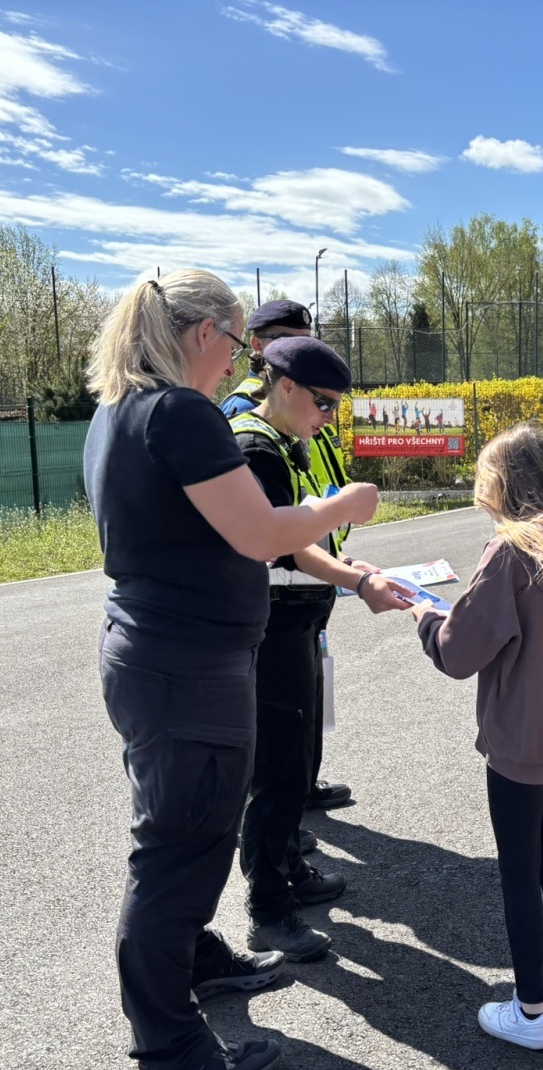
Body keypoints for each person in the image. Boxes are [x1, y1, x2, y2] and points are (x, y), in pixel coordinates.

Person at [83, 270, 378, 1070]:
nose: (243, 361)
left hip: (161, 656)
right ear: (203, 332)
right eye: (240, 341)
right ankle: (169, 1050)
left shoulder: (119, 411)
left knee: (193, 832)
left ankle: (195, 959)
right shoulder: (179, 412)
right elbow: (259, 532)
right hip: (185, 666)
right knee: (177, 850)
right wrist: (343, 505)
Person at [411, 424, 543, 1050]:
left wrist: (424, 615)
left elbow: (458, 652)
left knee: (518, 869)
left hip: (520, 738)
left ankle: (530, 1014)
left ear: (502, 483)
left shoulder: (510, 551)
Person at [231, 336, 414, 962]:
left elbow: (306, 540)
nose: (329, 417)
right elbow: (283, 545)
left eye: (336, 404)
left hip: (298, 621)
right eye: (323, 402)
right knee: (278, 771)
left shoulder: (287, 440)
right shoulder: (255, 448)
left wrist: (348, 564)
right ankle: (268, 909)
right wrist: (356, 581)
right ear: (284, 386)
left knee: (297, 758)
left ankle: (287, 868)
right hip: (274, 627)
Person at [223, 299, 369, 819]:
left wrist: (340, 556)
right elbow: (274, 536)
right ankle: (273, 842)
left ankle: (295, 803)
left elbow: (305, 502)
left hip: (310, 586)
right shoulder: (249, 421)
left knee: (303, 719)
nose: (328, 416)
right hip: (279, 598)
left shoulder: (299, 416)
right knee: (277, 741)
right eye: (286, 339)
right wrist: (351, 571)